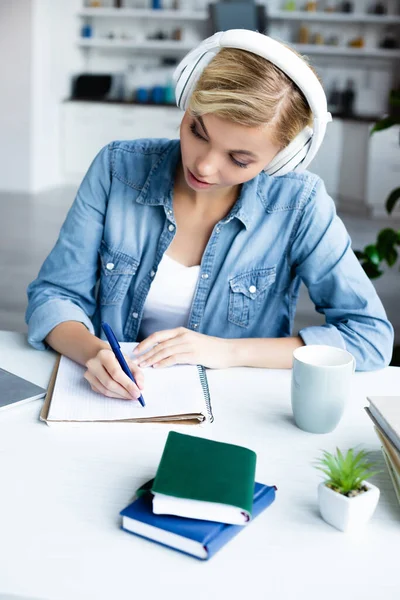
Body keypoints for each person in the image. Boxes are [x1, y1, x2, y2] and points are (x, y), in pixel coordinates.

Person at [26, 30, 393, 402]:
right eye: (197, 131)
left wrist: (227, 351)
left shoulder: (299, 203)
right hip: (120, 402)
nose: (203, 165)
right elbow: (55, 295)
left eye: (239, 159)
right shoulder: (118, 167)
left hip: (237, 408)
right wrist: (94, 352)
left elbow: (369, 337)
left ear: (283, 158)